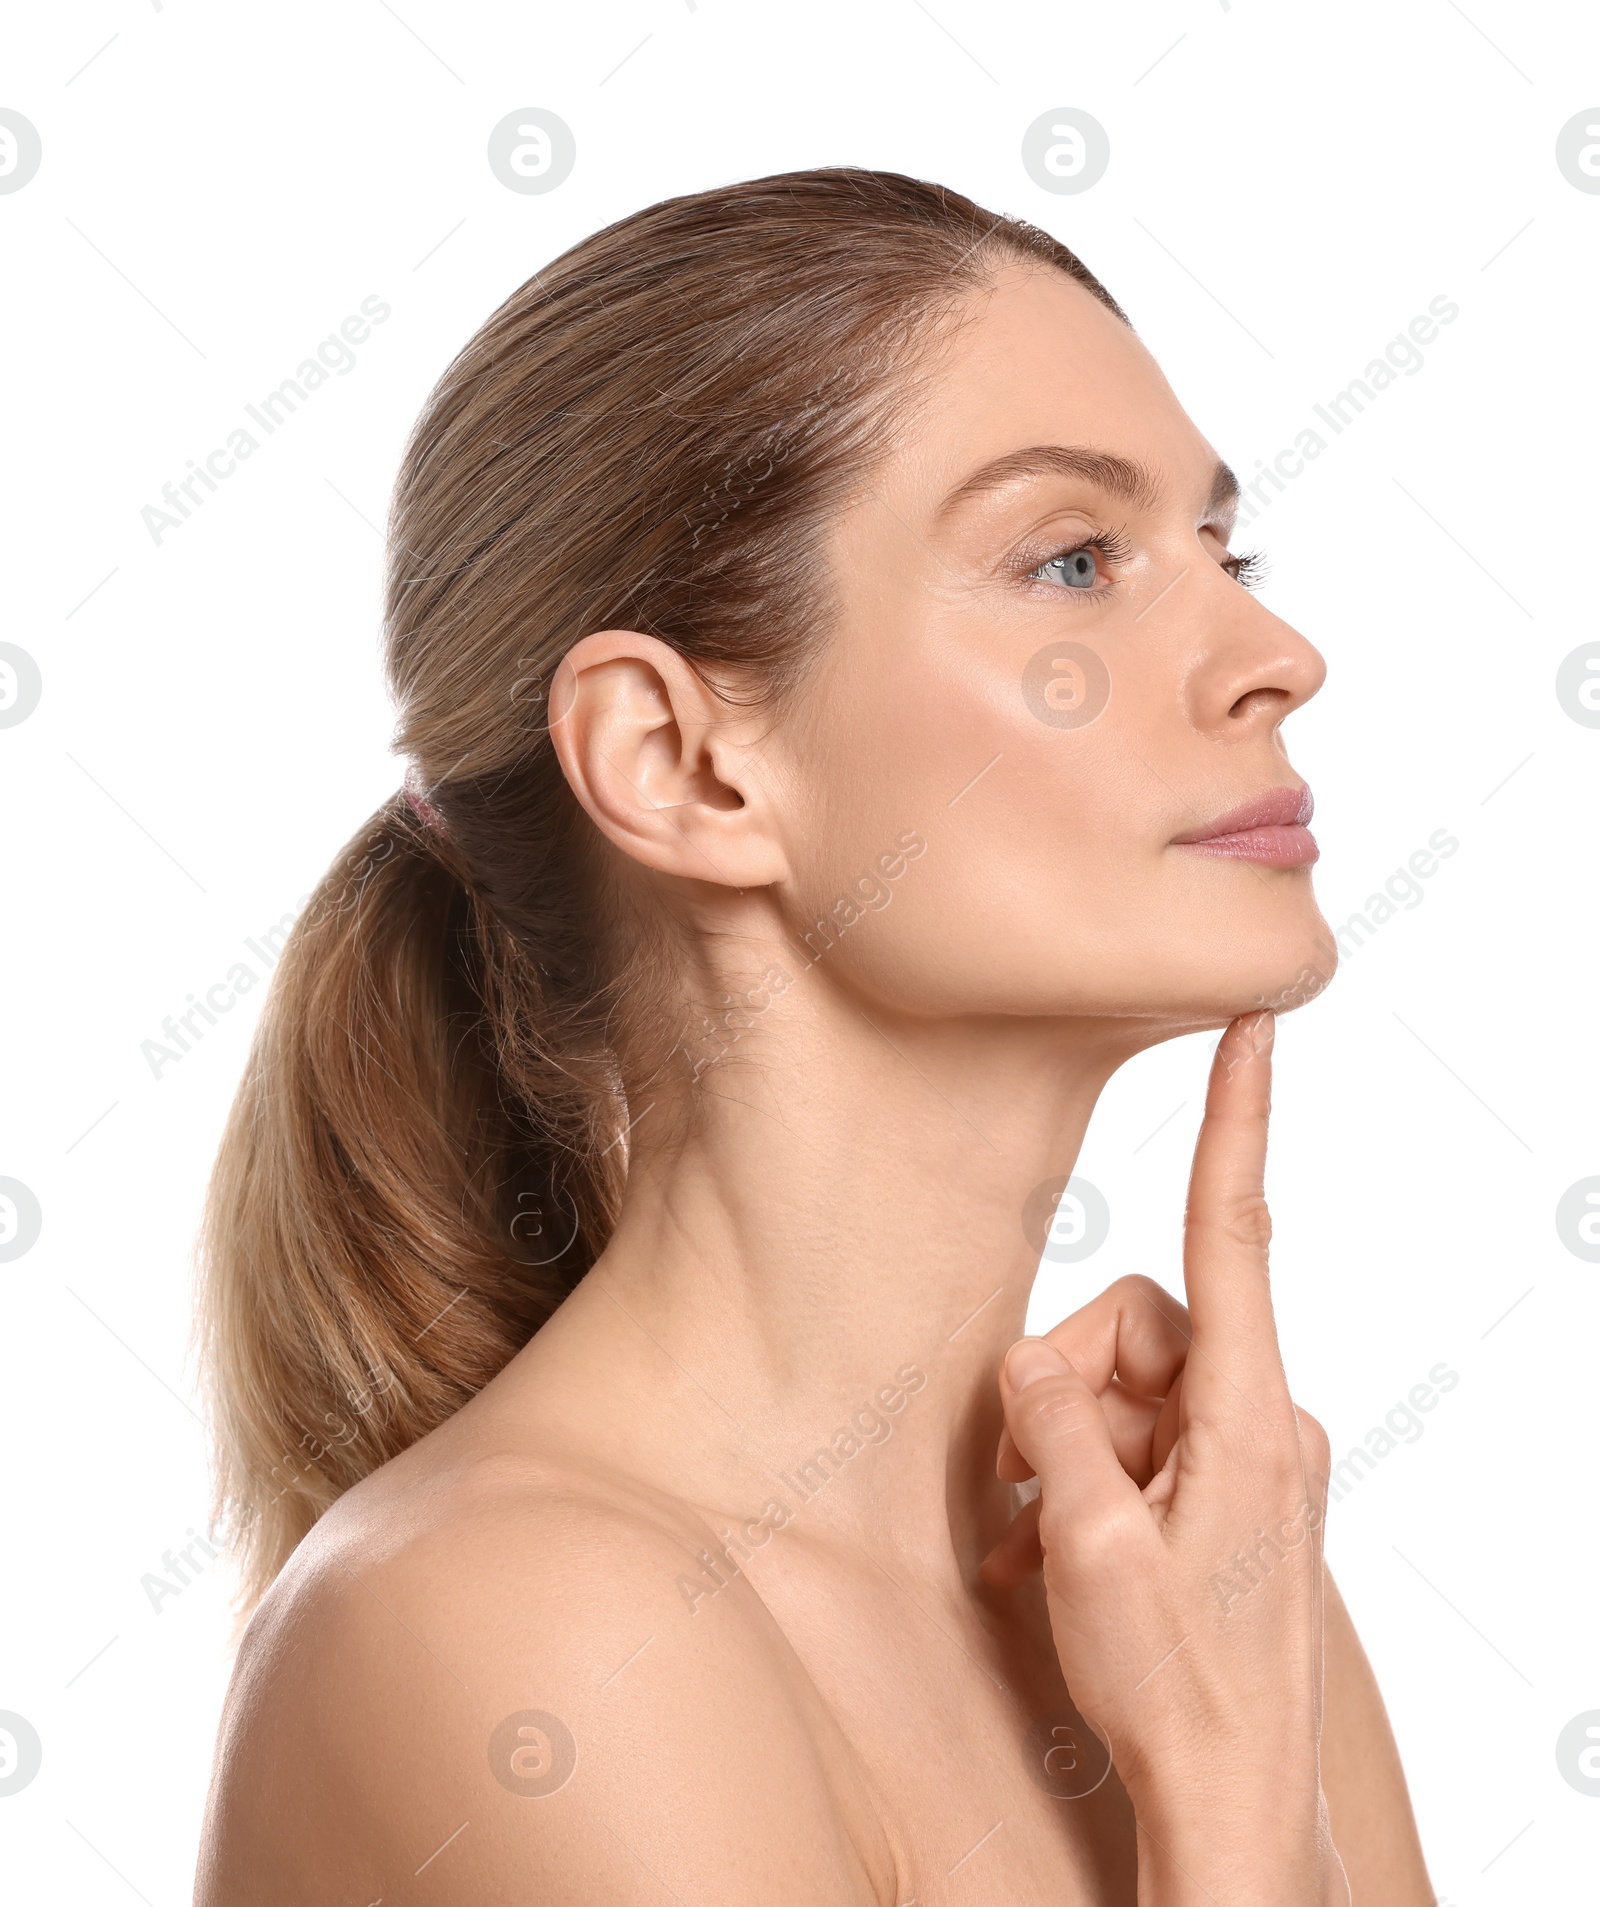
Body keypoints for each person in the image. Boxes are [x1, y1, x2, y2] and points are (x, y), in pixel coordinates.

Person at [192, 169, 1434, 1904]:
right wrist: (1231, 1829)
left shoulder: (1213, 1591)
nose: (1277, 654)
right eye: (1075, 560)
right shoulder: (517, 1628)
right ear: (680, 763)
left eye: (1226, 551)